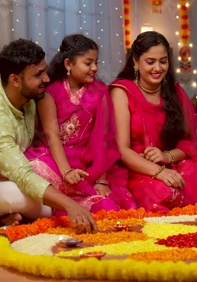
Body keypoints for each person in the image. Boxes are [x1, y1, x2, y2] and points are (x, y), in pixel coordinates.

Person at [0, 39, 97, 231]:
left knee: (48, 190)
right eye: (39, 75)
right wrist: (70, 205)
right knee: (19, 195)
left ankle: (8, 217)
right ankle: (2, 214)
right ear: (15, 80)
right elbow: (22, 173)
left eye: (44, 70)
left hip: (12, 176)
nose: (46, 79)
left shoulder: (30, 97)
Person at [109, 31, 197, 213]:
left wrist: (166, 157)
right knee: (164, 194)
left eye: (163, 61)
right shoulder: (122, 92)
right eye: (150, 62)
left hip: (170, 163)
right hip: (136, 168)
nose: (158, 68)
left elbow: (191, 143)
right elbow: (122, 150)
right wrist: (159, 172)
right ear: (135, 61)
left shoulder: (174, 92)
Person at [24, 34, 136, 215]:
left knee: (107, 207)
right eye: (88, 63)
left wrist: (101, 179)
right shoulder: (50, 92)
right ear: (69, 64)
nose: (94, 68)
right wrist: (66, 171)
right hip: (54, 158)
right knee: (34, 173)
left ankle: (77, 204)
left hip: (87, 162)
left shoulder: (100, 91)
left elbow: (103, 138)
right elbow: (52, 135)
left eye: (96, 62)